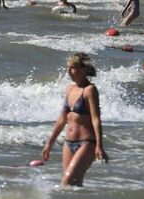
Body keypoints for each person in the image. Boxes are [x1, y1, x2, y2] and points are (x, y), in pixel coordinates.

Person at [39, 53, 106, 187]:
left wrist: (99, 145)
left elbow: (95, 119)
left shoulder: (89, 90)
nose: (69, 71)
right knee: (70, 185)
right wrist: (49, 143)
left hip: (86, 143)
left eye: (73, 67)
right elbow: (62, 119)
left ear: (84, 69)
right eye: (68, 67)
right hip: (68, 143)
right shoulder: (69, 89)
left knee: (67, 180)